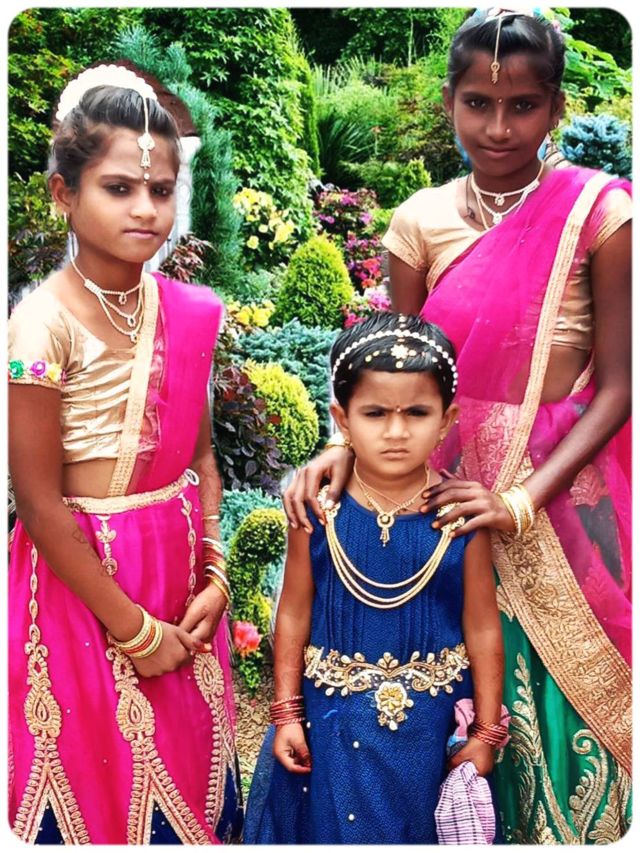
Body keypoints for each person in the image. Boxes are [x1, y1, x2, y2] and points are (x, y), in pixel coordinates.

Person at [282, 10, 631, 845]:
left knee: (568, 719)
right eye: (478, 103)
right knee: (445, 702)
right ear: (450, 103)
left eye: (523, 105)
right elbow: (392, 372)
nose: (498, 127)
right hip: (437, 508)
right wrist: (338, 451)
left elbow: (622, 385)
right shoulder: (419, 222)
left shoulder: (601, 214)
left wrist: (518, 501)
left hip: (560, 509)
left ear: (557, 106)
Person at [8, 68, 243, 844]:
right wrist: (136, 631)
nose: (146, 209)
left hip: (178, 574)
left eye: (161, 190)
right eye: (118, 188)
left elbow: (202, 459)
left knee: (191, 774)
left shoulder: (187, 311)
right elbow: (37, 501)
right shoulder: (40, 324)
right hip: (81, 587)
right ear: (64, 194)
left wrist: (215, 569)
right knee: (94, 782)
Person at [244, 313, 505, 843]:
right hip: (331, 723)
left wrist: (484, 732)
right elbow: (293, 610)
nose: (396, 432)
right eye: (375, 413)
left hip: (429, 730)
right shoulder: (318, 509)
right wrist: (287, 711)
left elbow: (481, 627)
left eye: (417, 413)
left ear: (447, 419)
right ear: (342, 419)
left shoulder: (460, 517)